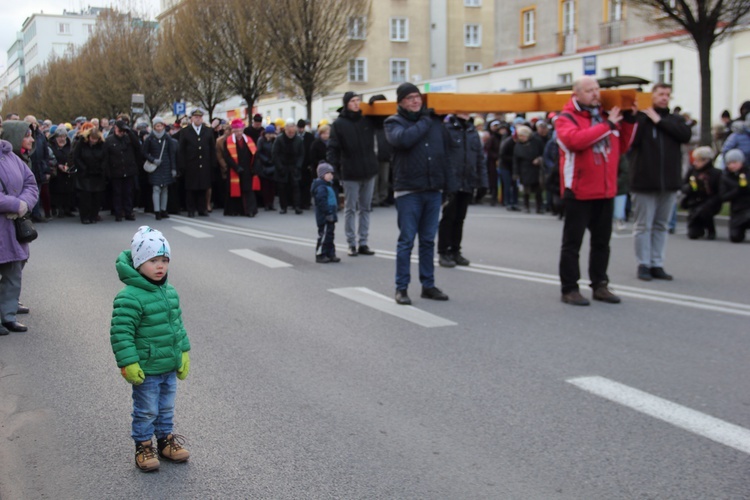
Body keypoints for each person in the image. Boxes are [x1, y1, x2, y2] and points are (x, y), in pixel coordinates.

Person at [110, 226, 191, 472]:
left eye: (164, 260)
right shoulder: (129, 296)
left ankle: (165, 441)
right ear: (138, 262)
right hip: (146, 368)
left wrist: (183, 353)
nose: (160, 266)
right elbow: (121, 333)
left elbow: (177, 325)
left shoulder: (169, 291)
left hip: (168, 365)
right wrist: (129, 363)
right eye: (153, 260)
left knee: (166, 408)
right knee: (146, 410)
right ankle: (144, 446)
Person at [556, 76, 633, 306]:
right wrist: (608, 125)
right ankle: (569, 288)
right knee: (573, 243)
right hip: (578, 190)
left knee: (602, 243)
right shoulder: (566, 118)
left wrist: (629, 121)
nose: (595, 93)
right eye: (589, 90)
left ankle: (600, 285)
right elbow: (575, 141)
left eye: (597, 89)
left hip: (605, 190)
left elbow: (623, 146)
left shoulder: (605, 116)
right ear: (576, 93)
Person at [384, 82, 456, 305]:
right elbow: (403, 140)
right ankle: (401, 287)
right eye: (410, 98)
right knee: (406, 240)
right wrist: (425, 120)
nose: (416, 101)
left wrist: (448, 185)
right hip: (408, 190)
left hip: (432, 189)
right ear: (401, 102)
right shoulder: (393, 122)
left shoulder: (435, 124)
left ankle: (428, 285)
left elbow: (447, 152)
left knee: (427, 241)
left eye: (418, 97)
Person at [627, 83, 692, 281]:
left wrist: (659, 121)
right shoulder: (641, 120)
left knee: (661, 225)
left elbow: (685, 135)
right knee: (643, 225)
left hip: (669, 181)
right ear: (651, 96)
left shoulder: (675, 119)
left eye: (667, 95)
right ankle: (643, 263)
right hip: (644, 180)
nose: (664, 98)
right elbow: (632, 141)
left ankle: (657, 263)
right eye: (660, 94)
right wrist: (642, 117)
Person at [327, 92, 379, 257]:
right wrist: (331, 169)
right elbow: (333, 148)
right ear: (346, 104)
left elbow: (383, 117)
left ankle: (363, 242)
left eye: (358, 101)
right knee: (350, 208)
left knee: (365, 208)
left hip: (369, 170)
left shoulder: (366, 120)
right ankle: (351, 243)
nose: (356, 104)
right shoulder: (339, 124)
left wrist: (375, 102)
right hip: (350, 172)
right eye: (352, 101)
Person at [0, 121, 39, 334]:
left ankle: (7, 316)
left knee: (13, 273)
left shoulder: (11, 156)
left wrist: (24, 204)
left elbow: (30, 183)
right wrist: (15, 204)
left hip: (12, 227)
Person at [438, 112, 486, 267]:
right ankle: (444, 252)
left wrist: (483, 182)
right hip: (451, 181)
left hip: (467, 181)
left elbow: (479, 158)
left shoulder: (472, 130)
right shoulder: (447, 128)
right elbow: (442, 155)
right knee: (448, 218)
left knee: (460, 219)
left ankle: (455, 251)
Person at [679, 146, 723, 240]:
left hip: (710, 203)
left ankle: (711, 229)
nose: (695, 163)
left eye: (698, 160)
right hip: (694, 202)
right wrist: (689, 187)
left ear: (706, 160)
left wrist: (710, 202)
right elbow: (683, 186)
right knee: (693, 234)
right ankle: (698, 227)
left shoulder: (716, 173)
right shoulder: (692, 171)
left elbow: (719, 193)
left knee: (704, 211)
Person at [178, 109, 215, 217]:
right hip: (191, 164)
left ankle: (202, 209)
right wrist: (182, 165)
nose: (198, 119)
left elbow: (212, 148)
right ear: (192, 119)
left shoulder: (207, 130)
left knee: (203, 188)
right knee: (191, 188)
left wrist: (213, 163)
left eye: (199, 117)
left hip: (204, 164)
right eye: (195, 117)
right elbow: (182, 150)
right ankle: (191, 209)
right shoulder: (185, 131)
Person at [103, 120, 142, 221]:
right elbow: (106, 157)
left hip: (128, 170)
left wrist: (130, 133)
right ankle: (118, 213)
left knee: (128, 193)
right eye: (120, 130)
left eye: (123, 131)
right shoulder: (109, 140)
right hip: (116, 170)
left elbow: (137, 146)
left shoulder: (128, 138)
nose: (122, 133)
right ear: (115, 129)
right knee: (117, 193)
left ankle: (128, 212)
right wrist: (107, 172)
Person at [142, 117, 178, 221]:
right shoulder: (149, 138)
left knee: (165, 188)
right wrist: (153, 160)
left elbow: (171, 154)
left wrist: (173, 168)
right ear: (154, 126)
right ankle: (157, 211)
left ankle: (163, 209)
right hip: (156, 166)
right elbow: (144, 152)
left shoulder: (167, 138)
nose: (159, 128)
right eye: (157, 126)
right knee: (156, 188)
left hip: (166, 165)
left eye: (161, 126)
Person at [222, 119, 258, 217]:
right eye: (236, 131)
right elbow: (227, 156)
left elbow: (254, 154)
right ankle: (234, 210)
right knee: (234, 190)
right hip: (235, 169)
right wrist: (236, 167)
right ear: (233, 131)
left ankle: (249, 210)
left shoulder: (249, 140)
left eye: (240, 130)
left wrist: (253, 167)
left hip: (246, 169)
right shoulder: (228, 141)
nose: (239, 133)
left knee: (247, 190)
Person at [72, 127, 107, 224]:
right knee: (85, 197)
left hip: (98, 174)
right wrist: (83, 168)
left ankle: (94, 215)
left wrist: (101, 168)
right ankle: (85, 216)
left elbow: (105, 157)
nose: (94, 141)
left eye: (96, 139)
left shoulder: (102, 145)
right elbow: (76, 157)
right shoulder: (82, 143)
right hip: (85, 174)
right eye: (92, 139)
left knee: (96, 197)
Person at [272, 118, 304, 214]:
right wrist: (279, 167)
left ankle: (297, 206)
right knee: (282, 188)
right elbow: (275, 154)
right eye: (289, 132)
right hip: (282, 166)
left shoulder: (299, 140)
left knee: (296, 187)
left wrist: (298, 166)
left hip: (294, 167)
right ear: (285, 130)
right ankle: (283, 207)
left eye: (292, 132)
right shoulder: (279, 139)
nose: (291, 134)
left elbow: (301, 154)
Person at [311, 163, 340, 263]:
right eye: (328, 173)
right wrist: (328, 212)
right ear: (322, 174)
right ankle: (320, 254)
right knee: (323, 236)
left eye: (331, 173)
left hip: (330, 214)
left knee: (330, 235)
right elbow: (321, 201)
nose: (331, 175)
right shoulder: (321, 187)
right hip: (325, 216)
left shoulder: (328, 185)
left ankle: (330, 253)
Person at [512, 125, 545, 213]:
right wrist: (516, 173)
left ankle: (540, 207)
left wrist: (539, 159)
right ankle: (526, 206)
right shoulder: (518, 145)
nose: (521, 138)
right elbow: (515, 160)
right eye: (520, 136)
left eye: (523, 136)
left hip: (535, 168)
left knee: (538, 189)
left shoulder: (537, 142)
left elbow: (543, 153)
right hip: (524, 169)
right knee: (526, 189)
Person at [720, 149, 750, 242]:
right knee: (735, 237)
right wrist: (738, 190)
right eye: (729, 163)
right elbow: (723, 196)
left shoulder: (748, 173)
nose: (732, 166)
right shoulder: (725, 177)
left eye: (734, 162)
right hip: (737, 210)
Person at [369, 95, 394, 207]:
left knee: (383, 178)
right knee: (376, 178)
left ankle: (379, 198)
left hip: (384, 153)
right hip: (376, 153)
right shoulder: (371, 120)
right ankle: (375, 198)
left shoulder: (387, 120)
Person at [48, 126, 76, 218]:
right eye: (60, 137)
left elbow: (72, 156)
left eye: (63, 136)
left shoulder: (70, 145)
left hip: (68, 170)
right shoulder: (51, 146)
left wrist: (69, 165)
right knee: (57, 190)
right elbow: (50, 158)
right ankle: (58, 208)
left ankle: (67, 209)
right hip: (56, 171)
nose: (62, 139)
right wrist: (58, 165)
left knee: (68, 190)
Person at [255, 125, 277, 211]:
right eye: (269, 133)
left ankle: (271, 203)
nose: (270, 135)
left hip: (273, 165)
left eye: (272, 133)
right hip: (264, 165)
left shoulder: (275, 140)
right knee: (265, 186)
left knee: (272, 186)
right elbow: (259, 152)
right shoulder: (261, 140)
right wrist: (266, 160)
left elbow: (277, 151)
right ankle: (266, 203)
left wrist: (273, 160)